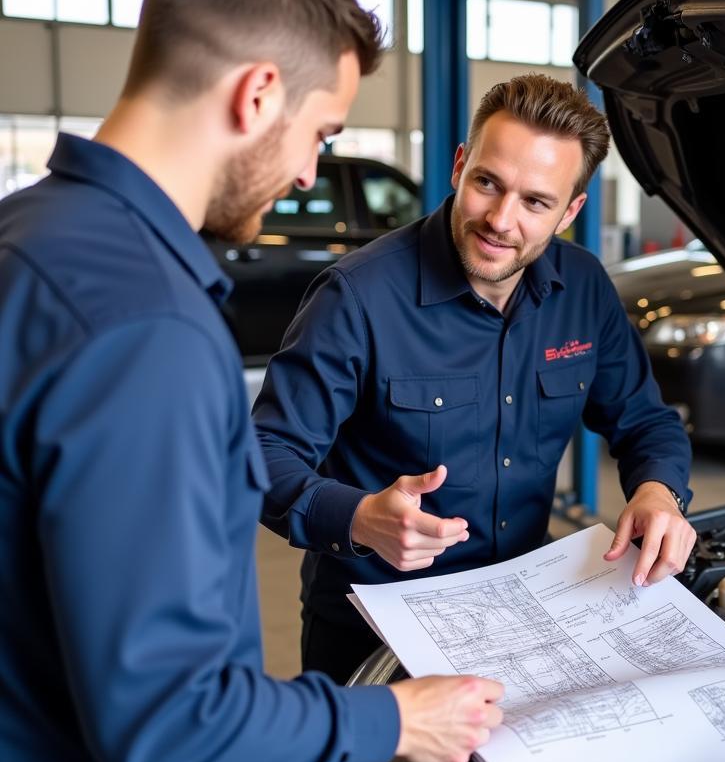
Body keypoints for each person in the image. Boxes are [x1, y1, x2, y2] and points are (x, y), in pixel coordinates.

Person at [0, 0, 502, 762]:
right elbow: (167, 720)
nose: (312, 172)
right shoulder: (146, 329)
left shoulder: (26, 238)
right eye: (319, 134)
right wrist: (391, 722)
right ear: (257, 92)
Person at [254, 73, 698, 685]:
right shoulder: (357, 297)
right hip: (375, 632)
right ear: (460, 165)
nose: (500, 220)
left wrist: (657, 492)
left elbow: (644, 420)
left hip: (522, 615)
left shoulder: (585, 289)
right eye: (488, 182)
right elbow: (264, 454)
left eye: (536, 202)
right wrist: (359, 517)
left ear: (570, 210)